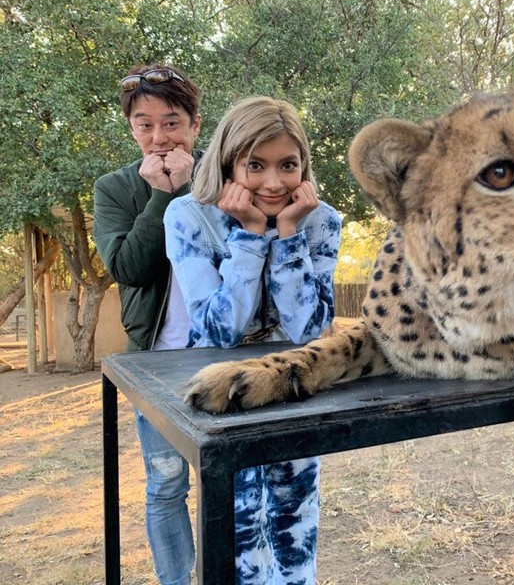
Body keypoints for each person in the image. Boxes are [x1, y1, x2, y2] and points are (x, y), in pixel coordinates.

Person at [164, 95, 341, 584]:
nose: (273, 182)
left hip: (292, 381)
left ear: (304, 165)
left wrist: (287, 236)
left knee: (295, 513)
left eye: (288, 165)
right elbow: (219, 332)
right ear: (228, 162)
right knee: (240, 519)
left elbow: (309, 328)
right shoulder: (188, 216)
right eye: (255, 165)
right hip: (223, 384)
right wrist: (249, 235)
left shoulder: (321, 220)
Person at [93, 64, 202, 585]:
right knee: (164, 483)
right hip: (156, 363)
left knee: (239, 479)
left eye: (172, 123)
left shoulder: (225, 180)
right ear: (131, 128)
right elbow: (129, 269)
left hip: (224, 356)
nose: (159, 138)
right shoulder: (114, 189)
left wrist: (188, 190)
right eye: (144, 124)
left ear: (195, 126)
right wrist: (162, 196)